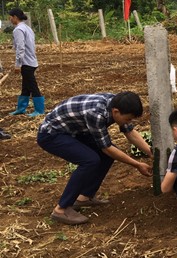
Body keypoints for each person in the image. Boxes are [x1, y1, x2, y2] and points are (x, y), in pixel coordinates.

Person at [37, 92, 153, 225]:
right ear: (116, 112)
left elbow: (130, 133)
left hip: (75, 130)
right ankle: (61, 209)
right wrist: (137, 164)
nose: (129, 122)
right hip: (52, 134)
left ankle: (83, 197)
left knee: (104, 157)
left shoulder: (117, 104)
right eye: (128, 119)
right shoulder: (96, 113)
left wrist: (150, 152)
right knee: (89, 160)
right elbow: (107, 148)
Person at [8, 8, 44, 116]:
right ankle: (21, 108)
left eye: (10, 17)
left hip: (26, 62)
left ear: (15, 17)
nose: (10, 19)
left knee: (32, 86)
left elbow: (20, 48)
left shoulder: (18, 30)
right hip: (32, 61)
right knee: (26, 86)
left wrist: (18, 64)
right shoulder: (27, 28)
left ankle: (39, 110)